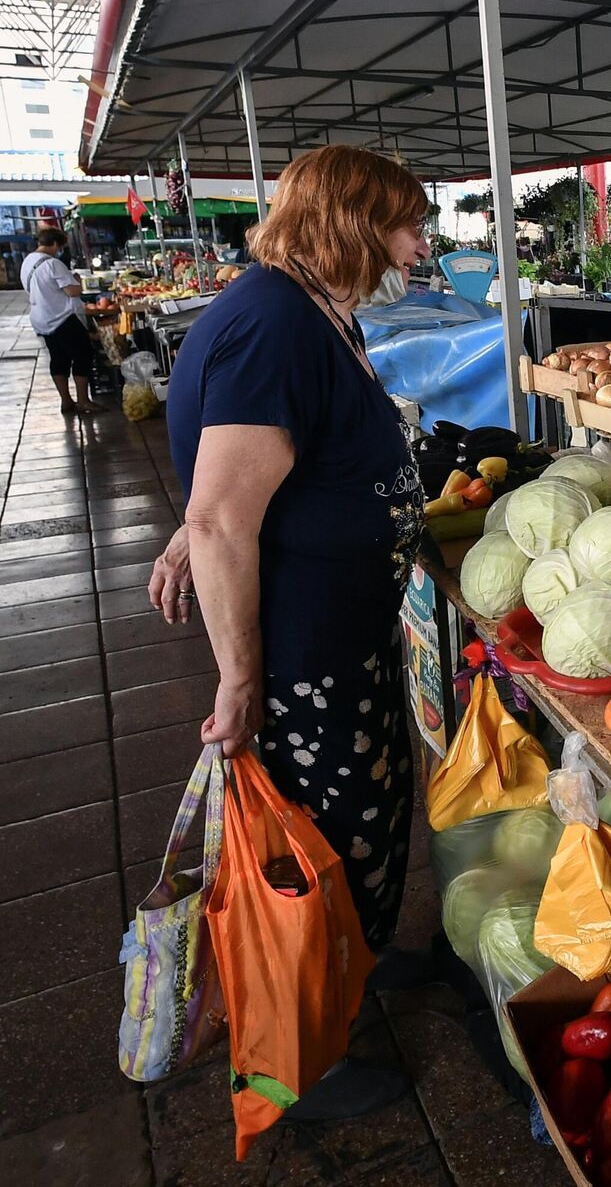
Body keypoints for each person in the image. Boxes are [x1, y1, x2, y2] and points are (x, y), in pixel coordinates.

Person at [150, 143, 432, 1117]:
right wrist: (238, 680)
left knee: (367, 826)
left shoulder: (306, 309)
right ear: (353, 222)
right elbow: (229, 514)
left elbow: (232, 483)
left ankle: (366, 960)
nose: (419, 244)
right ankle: (309, 1056)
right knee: (319, 849)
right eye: (406, 224)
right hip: (306, 659)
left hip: (344, 639)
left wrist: (193, 529)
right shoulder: (275, 322)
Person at [20, 228, 104, 414]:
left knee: (58, 358)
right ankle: (83, 400)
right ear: (56, 244)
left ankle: (66, 401)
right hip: (61, 317)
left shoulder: (27, 261)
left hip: (41, 318)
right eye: (60, 247)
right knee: (83, 354)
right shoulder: (52, 264)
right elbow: (72, 291)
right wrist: (76, 279)